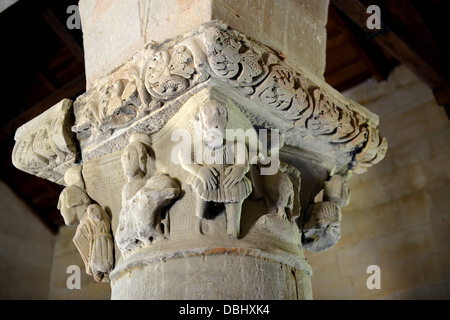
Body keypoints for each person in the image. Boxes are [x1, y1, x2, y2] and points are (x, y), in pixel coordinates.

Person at [179, 99, 252, 238]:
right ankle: (198, 222)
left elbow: (243, 161)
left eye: (220, 111)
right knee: (202, 189)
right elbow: (184, 157)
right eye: (208, 112)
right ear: (201, 123)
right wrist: (199, 170)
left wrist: (240, 169)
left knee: (237, 193)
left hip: (229, 179)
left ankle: (233, 228)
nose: (215, 115)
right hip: (208, 177)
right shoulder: (198, 145)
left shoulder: (236, 145)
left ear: (227, 119)